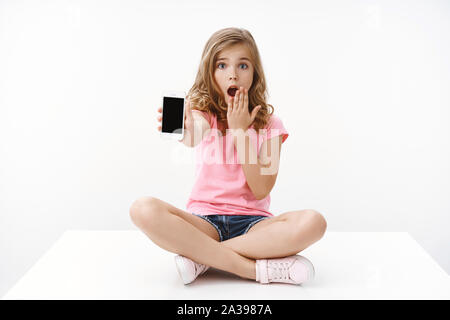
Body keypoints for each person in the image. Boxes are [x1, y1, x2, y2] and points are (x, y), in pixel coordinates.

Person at [130, 27, 327, 285]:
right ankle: (254, 270)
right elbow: (194, 135)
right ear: (210, 73)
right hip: (204, 222)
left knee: (314, 222)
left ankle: (201, 257)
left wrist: (240, 131)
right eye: (222, 65)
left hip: (254, 226)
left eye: (242, 65)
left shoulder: (271, 124)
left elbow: (261, 189)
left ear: (255, 73)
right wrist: (185, 129)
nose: (232, 74)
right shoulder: (205, 114)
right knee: (142, 208)